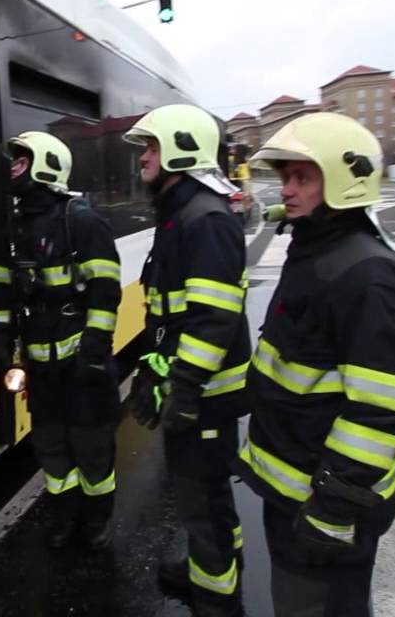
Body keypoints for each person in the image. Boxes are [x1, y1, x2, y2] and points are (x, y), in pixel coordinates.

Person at [233, 112, 395, 616]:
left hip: (324, 504)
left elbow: (381, 410)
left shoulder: (366, 276)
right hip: (295, 493)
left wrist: (333, 508)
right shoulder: (317, 250)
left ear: (344, 181)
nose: (288, 190)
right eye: (285, 177)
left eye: (303, 177)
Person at [122, 104, 252, 617]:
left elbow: (212, 321)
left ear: (181, 149)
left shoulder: (205, 218)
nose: (143, 160)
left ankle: (216, 598)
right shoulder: (181, 212)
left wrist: (186, 388)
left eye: (151, 149)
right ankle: (215, 563)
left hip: (206, 393)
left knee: (199, 495)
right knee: (208, 491)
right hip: (193, 385)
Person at [0, 131, 122, 550]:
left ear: (45, 164)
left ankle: (96, 522)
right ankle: (65, 518)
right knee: (50, 449)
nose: (13, 164)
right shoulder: (12, 227)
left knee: (92, 451)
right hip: (39, 367)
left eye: (22, 157)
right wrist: (1, 339)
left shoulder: (80, 220)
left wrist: (94, 353)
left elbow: (106, 293)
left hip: (82, 369)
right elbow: (2, 291)